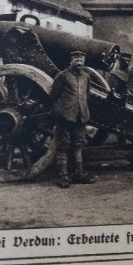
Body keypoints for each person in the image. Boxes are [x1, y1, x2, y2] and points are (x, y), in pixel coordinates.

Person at [49, 50, 95, 188]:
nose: (79, 63)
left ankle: (79, 174)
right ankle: (63, 176)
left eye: (81, 60)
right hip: (65, 116)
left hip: (80, 116)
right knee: (63, 145)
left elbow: (87, 95)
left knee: (78, 144)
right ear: (71, 61)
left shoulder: (86, 76)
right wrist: (61, 110)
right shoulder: (62, 76)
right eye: (76, 60)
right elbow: (53, 96)